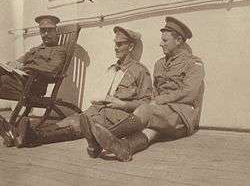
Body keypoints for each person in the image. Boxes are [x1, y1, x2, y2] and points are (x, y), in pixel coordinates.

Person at [0, 26, 153, 159]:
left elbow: (146, 104)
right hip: (96, 109)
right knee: (68, 121)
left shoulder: (140, 70)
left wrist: (123, 103)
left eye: (120, 44)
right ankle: (24, 134)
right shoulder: (111, 69)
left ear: (131, 47)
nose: (116, 48)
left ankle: (32, 136)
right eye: (115, 44)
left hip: (116, 115)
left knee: (75, 125)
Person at [90, 16, 205, 162]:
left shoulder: (193, 63)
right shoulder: (159, 64)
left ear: (179, 41)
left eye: (165, 41)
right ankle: (126, 147)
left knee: (146, 110)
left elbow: (189, 93)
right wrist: (154, 102)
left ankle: (98, 139)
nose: (160, 44)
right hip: (163, 116)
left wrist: (157, 101)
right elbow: (155, 91)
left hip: (182, 117)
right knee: (150, 131)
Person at [0, 15, 66, 99]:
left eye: (49, 30)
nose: (46, 34)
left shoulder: (59, 51)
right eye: (43, 31)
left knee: (4, 79)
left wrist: (25, 68)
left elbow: (51, 70)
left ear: (55, 32)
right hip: (21, 80)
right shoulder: (34, 50)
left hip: (34, 86)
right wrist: (12, 64)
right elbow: (17, 62)